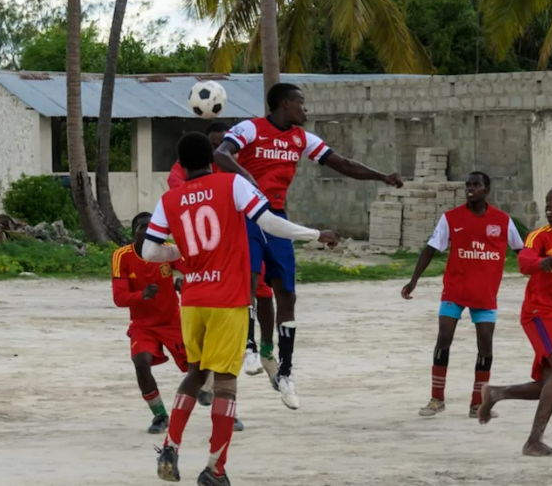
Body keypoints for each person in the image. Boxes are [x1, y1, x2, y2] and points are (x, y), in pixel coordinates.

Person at [145, 131, 339, 486]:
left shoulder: (170, 199)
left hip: (192, 301)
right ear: (212, 159)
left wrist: (178, 253)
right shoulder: (232, 183)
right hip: (228, 299)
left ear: (182, 165)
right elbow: (268, 221)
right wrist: (314, 233)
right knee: (226, 384)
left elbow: (148, 252)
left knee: (195, 372)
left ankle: (170, 446)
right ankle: (215, 469)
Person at [214, 82, 403, 409]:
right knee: (250, 280)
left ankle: (285, 372)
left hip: (277, 216)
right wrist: (244, 175)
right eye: (302, 103)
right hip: (244, 213)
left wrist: (381, 176)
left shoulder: (302, 138)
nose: (306, 109)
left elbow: (341, 163)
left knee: (287, 293)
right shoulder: (250, 128)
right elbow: (220, 153)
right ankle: (248, 346)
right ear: (285, 104)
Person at [477, 185, 552, 457]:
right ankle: (533, 441)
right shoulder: (540, 236)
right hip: (538, 313)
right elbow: (524, 260)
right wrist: (540, 264)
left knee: (551, 383)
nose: (548, 206)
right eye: (547, 201)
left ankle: (496, 393)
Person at [402, 172, 524, 417]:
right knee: (443, 338)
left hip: (485, 294)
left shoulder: (502, 221)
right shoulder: (451, 218)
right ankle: (437, 399)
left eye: (476, 185)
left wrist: (540, 271)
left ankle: (477, 403)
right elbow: (430, 248)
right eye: (468, 185)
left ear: (487, 190)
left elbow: (521, 251)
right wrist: (414, 279)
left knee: (485, 344)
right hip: (455, 290)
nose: (470, 189)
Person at [167, 122, 271, 377]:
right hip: (203, 246)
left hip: (238, 239)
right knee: (209, 302)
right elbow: (184, 198)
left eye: (222, 146)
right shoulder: (183, 171)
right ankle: (205, 373)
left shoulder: (237, 170)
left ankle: (259, 348)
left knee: (261, 289)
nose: (218, 151)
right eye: (213, 145)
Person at [112, 213, 188, 434]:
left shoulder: (167, 249)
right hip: (142, 324)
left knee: (198, 368)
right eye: (142, 228)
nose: (147, 232)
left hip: (173, 320)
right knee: (140, 362)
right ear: (133, 232)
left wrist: (183, 280)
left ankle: (226, 410)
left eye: (152, 228)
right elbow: (119, 298)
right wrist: (142, 295)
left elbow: (190, 268)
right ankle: (159, 414)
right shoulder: (121, 257)